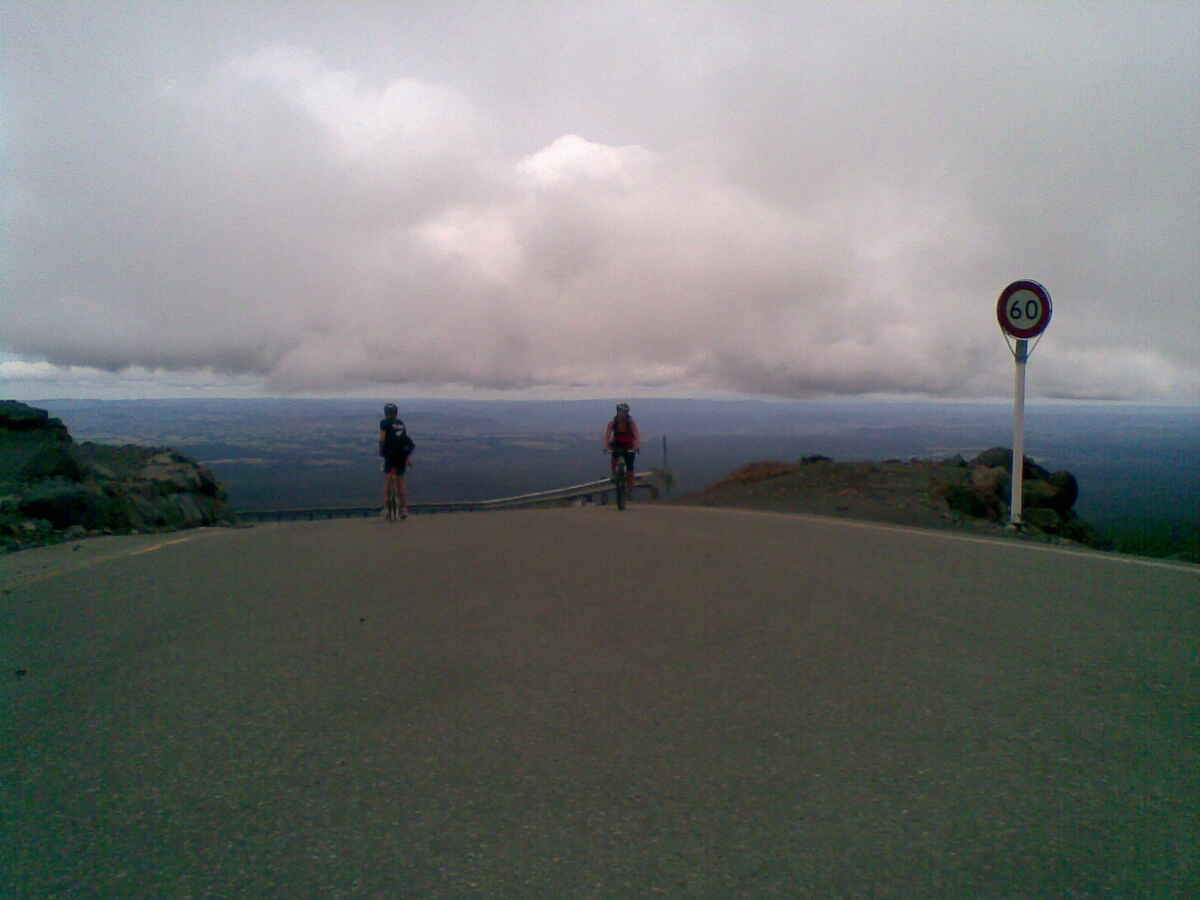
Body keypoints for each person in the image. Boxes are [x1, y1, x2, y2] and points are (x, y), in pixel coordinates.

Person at [379, 403, 415, 520]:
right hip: (402, 456)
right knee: (400, 484)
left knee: (388, 482)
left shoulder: (384, 423)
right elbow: (404, 440)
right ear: (396, 413)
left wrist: (381, 452)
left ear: (386, 413)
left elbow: (382, 439)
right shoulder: (401, 423)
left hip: (390, 456)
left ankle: (385, 509)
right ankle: (404, 509)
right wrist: (408, 457)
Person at [603, 402, 640, 494]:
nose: (622, 413)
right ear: (617, 412)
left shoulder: (630, 423)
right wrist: (606, 446)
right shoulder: (612, 423)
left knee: (630, 467)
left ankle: (630, 486)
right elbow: (607, 435)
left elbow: (637, 435)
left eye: (624, 412)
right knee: (614, 457)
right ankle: (614, 474)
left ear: (627, 413)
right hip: (617, 444)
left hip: (629, 445)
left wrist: (636, 447)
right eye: (620, 411)